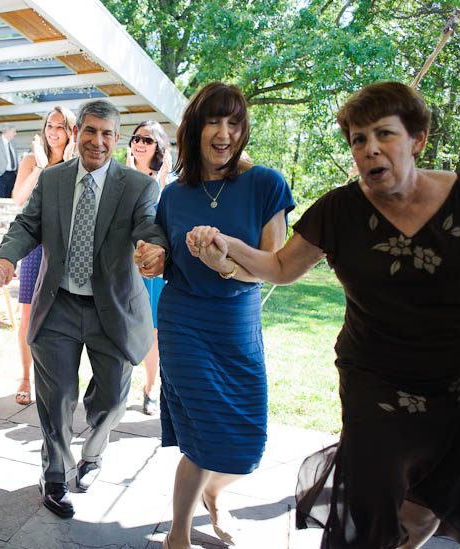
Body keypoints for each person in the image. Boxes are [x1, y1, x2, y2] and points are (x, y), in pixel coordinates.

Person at [193, 81, 460, 549]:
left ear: (418, 140)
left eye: (384, 134)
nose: (370, 148)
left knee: (424, 508)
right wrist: (227, 244)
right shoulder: (339, 210)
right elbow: (279, 267)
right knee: (371, 499)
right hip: (375, 377)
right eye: (358, 139)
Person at [0, 99, 169, 519]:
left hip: (114, 308)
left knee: (109, 399)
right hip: (59, 305)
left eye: (107, 133)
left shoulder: (138, 186)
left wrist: (152, 247)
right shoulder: (52, 179)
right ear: (77, 133)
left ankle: (92, 456)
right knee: (56, 398)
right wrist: (5, 258)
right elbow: (27, 225)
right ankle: (54, 475)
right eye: (90, 131)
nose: (98, 141)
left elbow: (147, 225)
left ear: (116, 138)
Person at [138, 82, 294, 549]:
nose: (224, 133)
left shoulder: (266, 185)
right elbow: (161, 251)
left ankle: (213, 494)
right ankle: (177, 535)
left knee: (246, 444)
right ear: (195, 129)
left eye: (234, 122)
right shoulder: (174, 195)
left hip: (238, 326)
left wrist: (224, 264)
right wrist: (151, 253)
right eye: (213, 121)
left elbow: (273, 266)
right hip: (185, 323)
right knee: (203, 437)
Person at [10, 105, 76, 406]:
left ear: (70, 131)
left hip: (67, 246)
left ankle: (55, 380)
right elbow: (19, 198)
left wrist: (68, 160)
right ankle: (25, 376)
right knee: (28, 313)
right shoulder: (29, 160)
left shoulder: (76, 163)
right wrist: (39, 165)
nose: (54, 131)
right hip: (36, 244)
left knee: (62, 314)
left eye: (61, 126)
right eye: (50, 124)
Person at [125, 119, 173, 415]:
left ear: (159, 148)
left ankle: (151, 387)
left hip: (152, 267)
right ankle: (117, 388)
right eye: (137, 138)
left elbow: (164, 221)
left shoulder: (170, 182)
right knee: (124, 327)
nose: (141, 144)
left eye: (148, 140)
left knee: (153, 330)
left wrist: (162, 180)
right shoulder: (122, 178)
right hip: (123, 264)